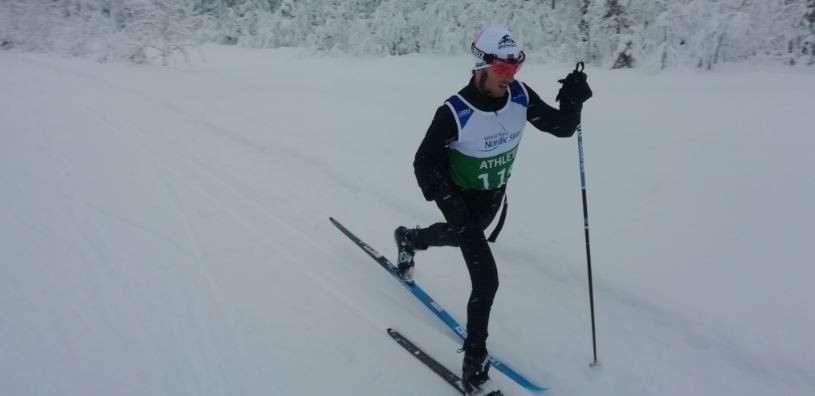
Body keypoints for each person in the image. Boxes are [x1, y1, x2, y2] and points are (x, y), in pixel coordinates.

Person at [394, 25, 592, 393]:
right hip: (460, 200)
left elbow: (562, 128)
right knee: (487, 279)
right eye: (502, 69)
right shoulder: (455, 111)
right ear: (480, 66)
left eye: (515, 69)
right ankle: (474, 363)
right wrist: (450, 201)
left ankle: (410, 238)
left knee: (458, 238)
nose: (510, 77)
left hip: (490, 199)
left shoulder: (519, 96)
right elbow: (424, 162)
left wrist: (573, 100)